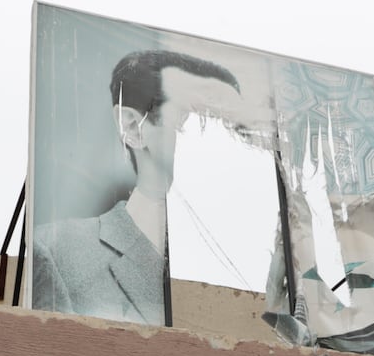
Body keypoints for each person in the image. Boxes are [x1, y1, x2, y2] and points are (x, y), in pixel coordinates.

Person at [31, 50, 242, 327]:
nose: (230, 148)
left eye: (240, 131)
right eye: (194, 121)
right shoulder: (59, 250)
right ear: (133, 127)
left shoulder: (258, 285)